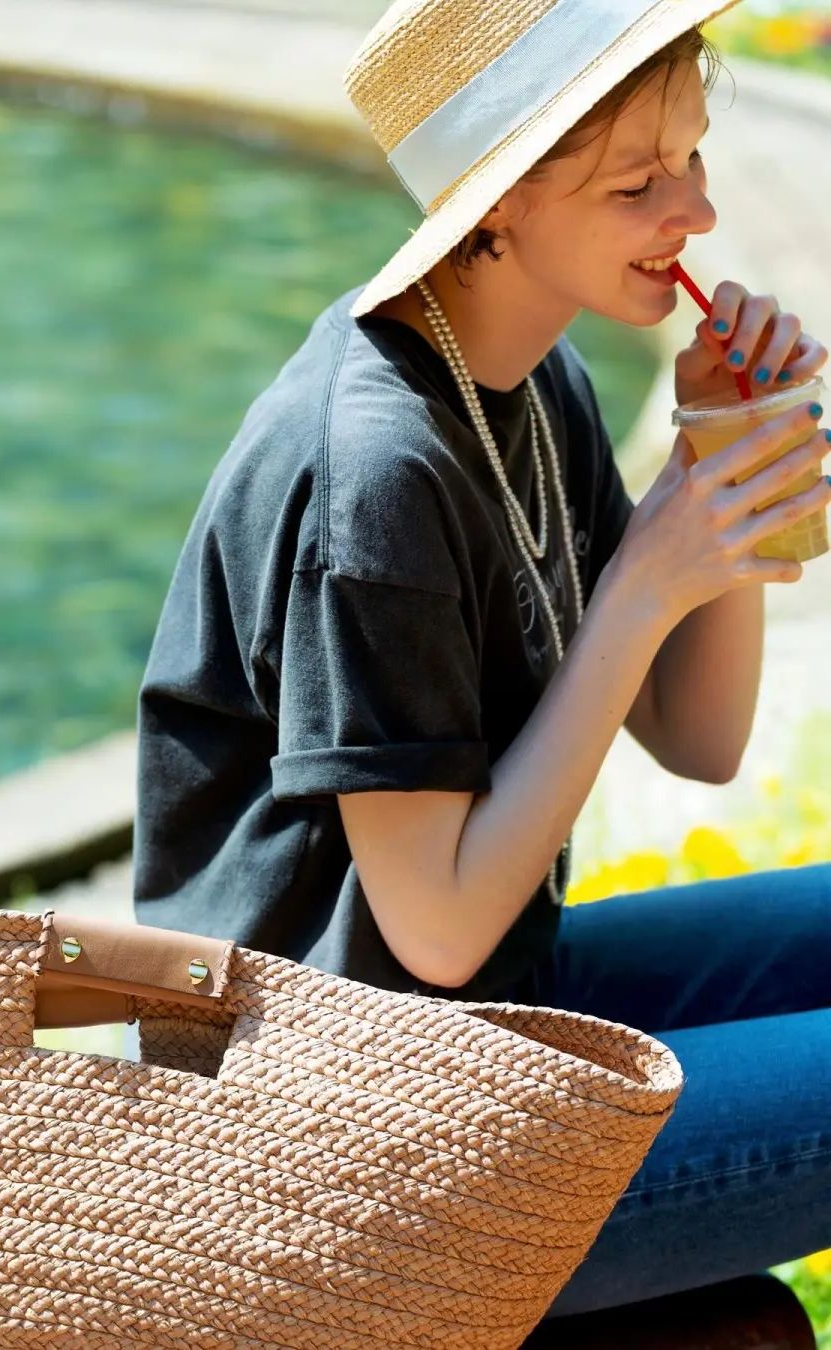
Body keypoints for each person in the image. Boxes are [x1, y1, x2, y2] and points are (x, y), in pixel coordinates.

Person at [133, 0, 831, 1320]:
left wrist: (722, 459)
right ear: (497, 199)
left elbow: (702, 740)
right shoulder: (377, 468)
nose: (696, 213)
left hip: (487, 1029)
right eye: (637, 184)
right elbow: (442, 930)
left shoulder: (528, 379)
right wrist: (641, 586)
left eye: (692, 156)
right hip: (346, 1152)